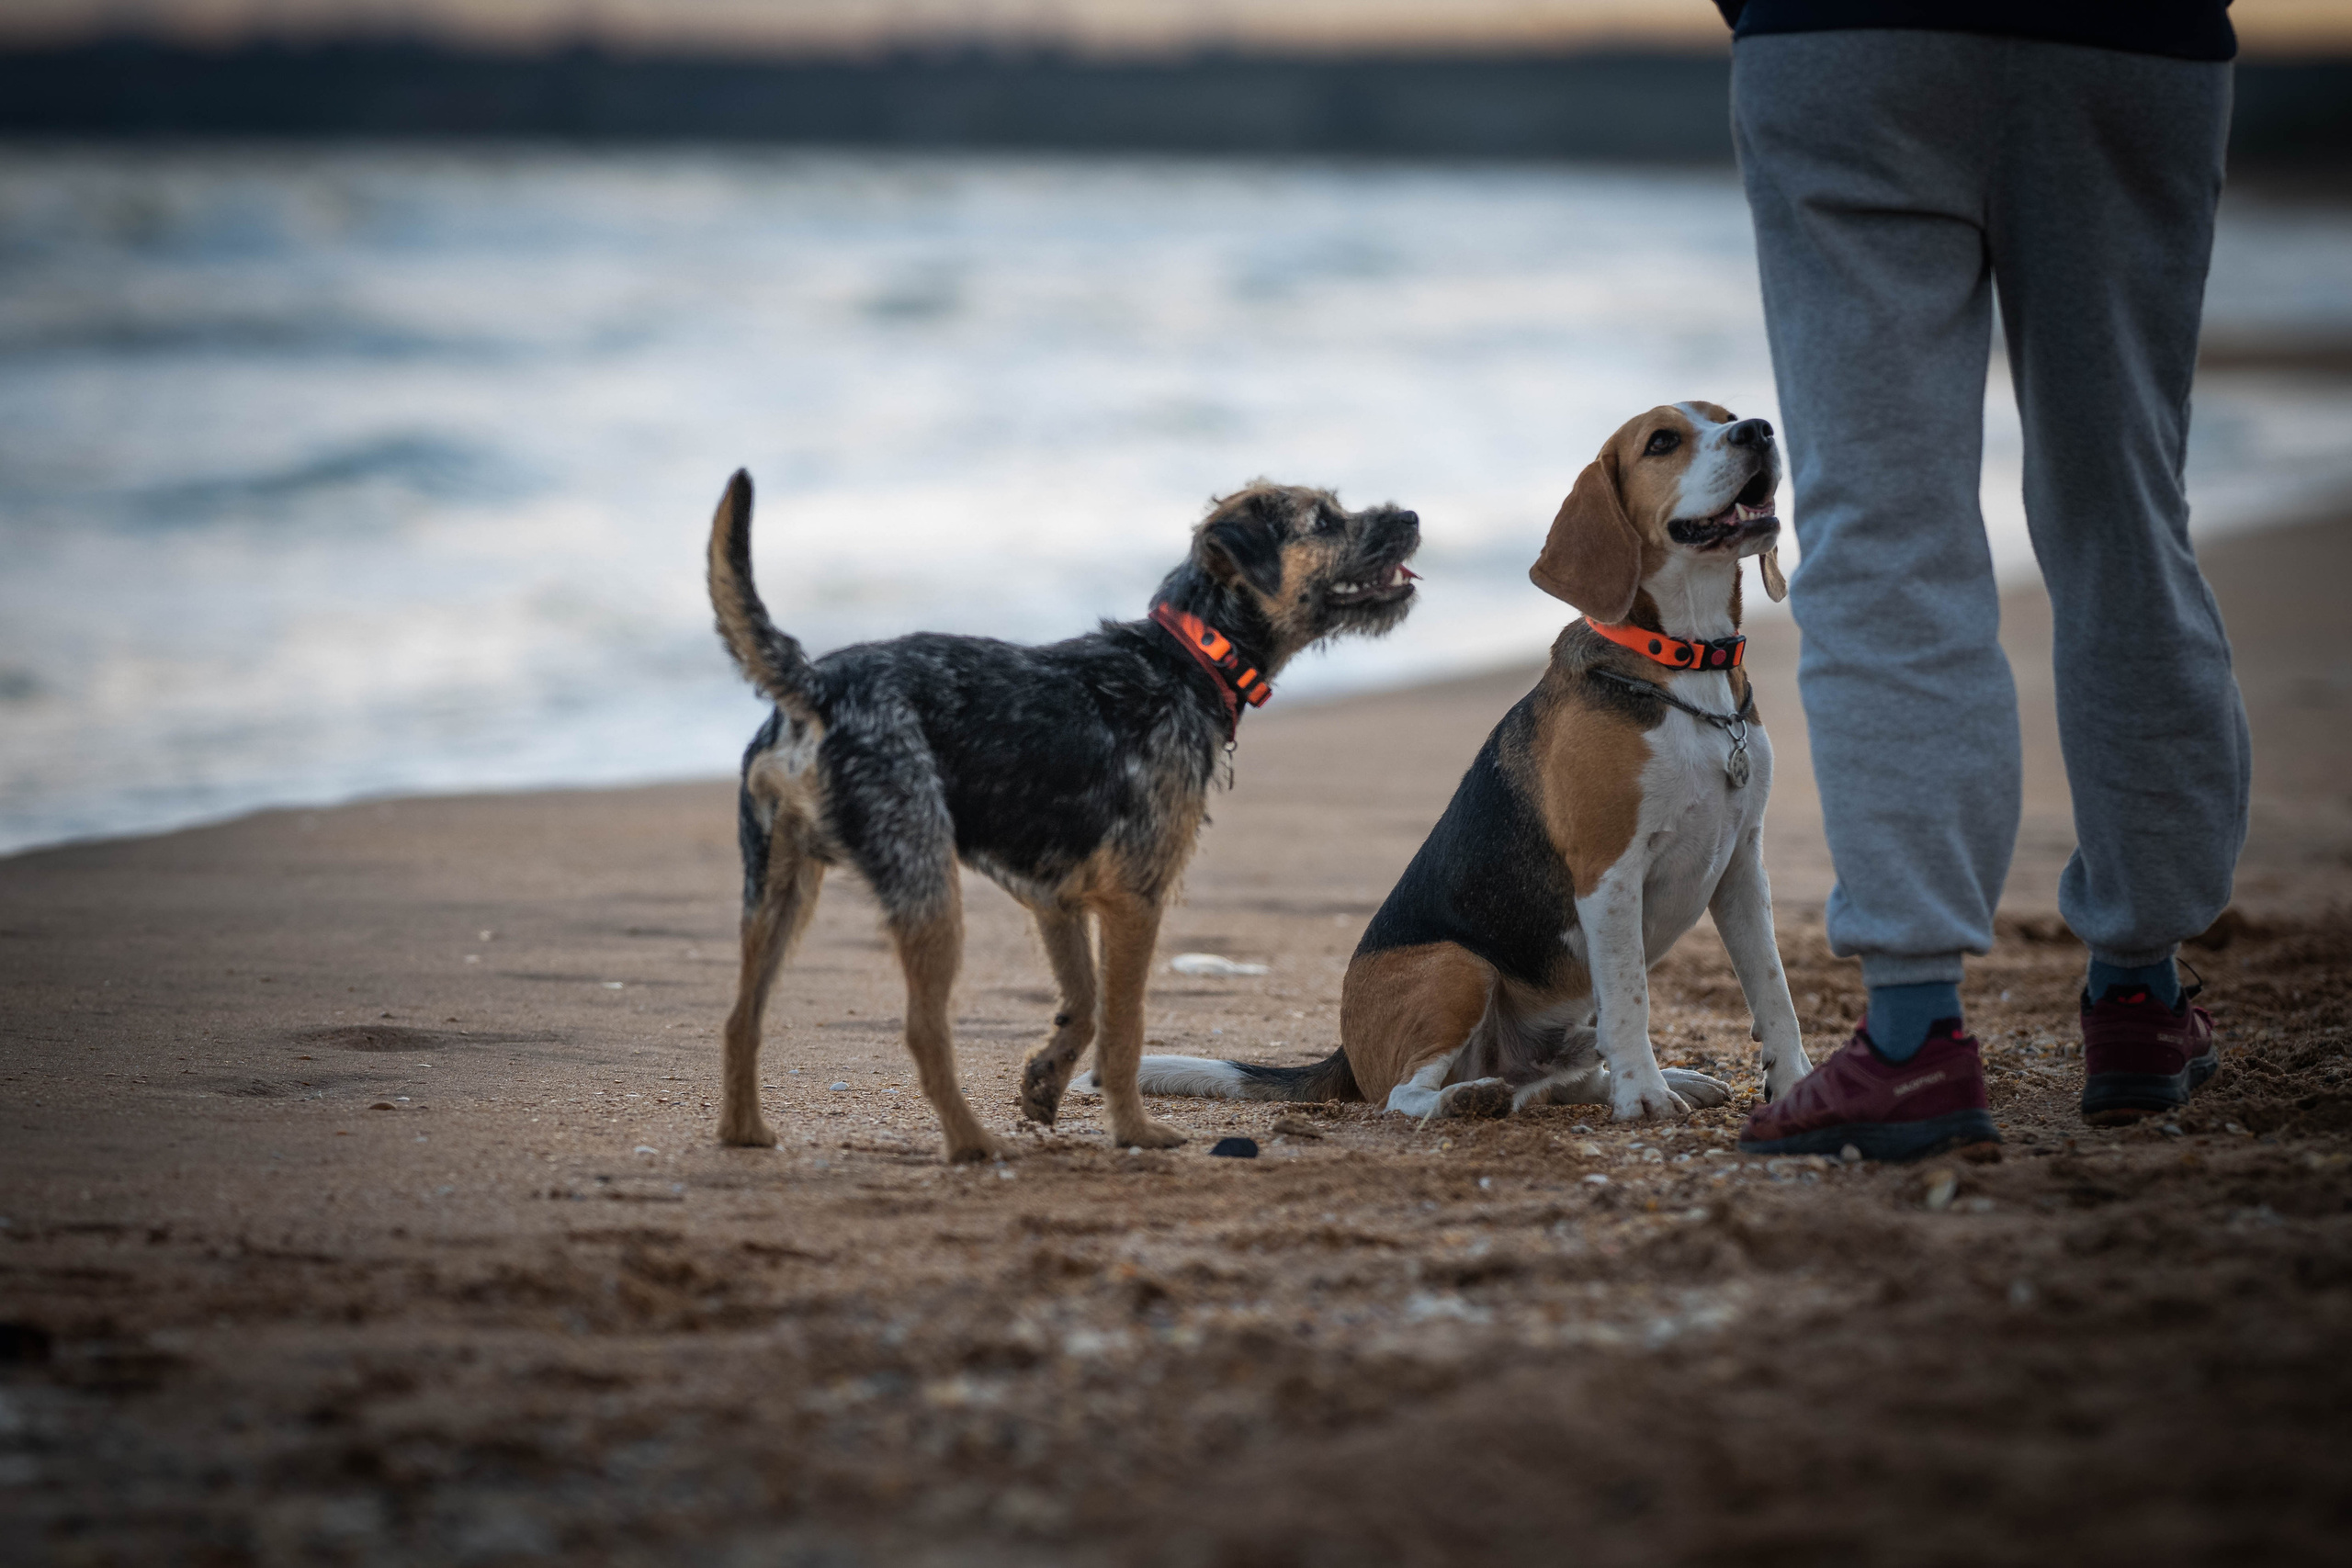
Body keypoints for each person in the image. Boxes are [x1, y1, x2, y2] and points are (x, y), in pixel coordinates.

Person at [1717, 1, 2252, 1159]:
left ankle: (1912, 1040)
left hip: (1846, 41)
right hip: (2132, 45)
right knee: (2125, 508)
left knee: (1880, 524)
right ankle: (2141, 1002)